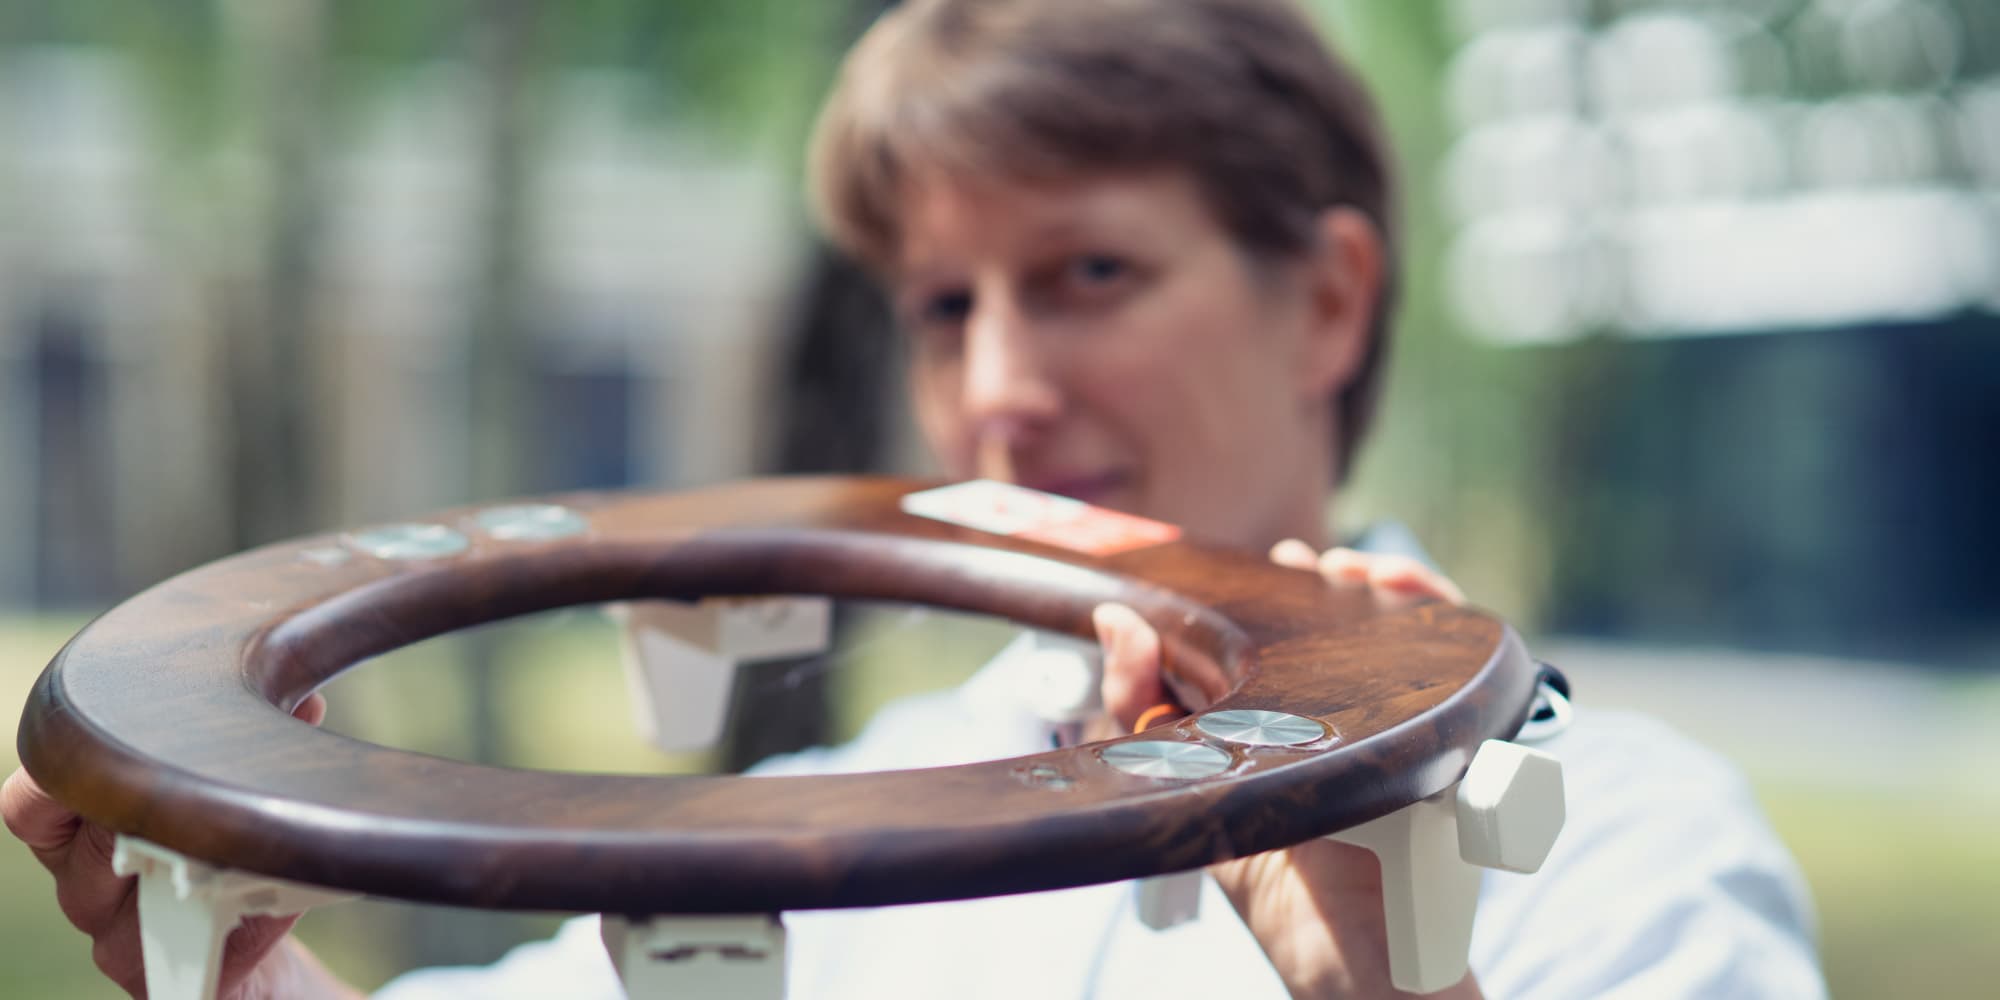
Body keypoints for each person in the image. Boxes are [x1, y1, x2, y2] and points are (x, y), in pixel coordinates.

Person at [3, 0, 1826, 996]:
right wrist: (230, 971)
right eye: (947, 305)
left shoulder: (1628, 842)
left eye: (1091, 273)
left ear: (1328, 298)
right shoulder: (867, 820)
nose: (1001, 386)